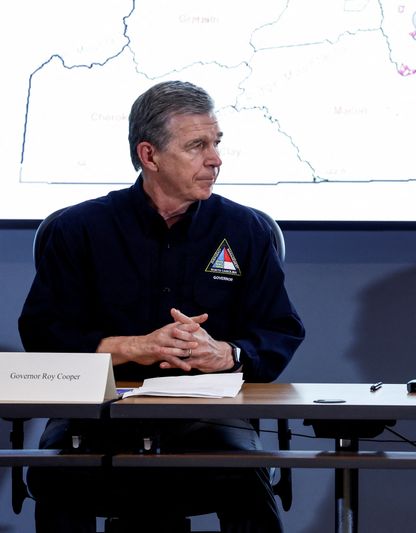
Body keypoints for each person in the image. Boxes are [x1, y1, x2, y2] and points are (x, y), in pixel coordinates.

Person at [18, 80, 305, 533]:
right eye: (197, 146)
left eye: (216, 143)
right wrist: (134, 347)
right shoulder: (78, 229)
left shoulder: (246, 229)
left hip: (207, 418)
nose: (215, 159)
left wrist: (228, 354)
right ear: (149, 155)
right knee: (60, 478)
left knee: (245, 479)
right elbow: (43, 335)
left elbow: (279, 329)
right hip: (99, 416)